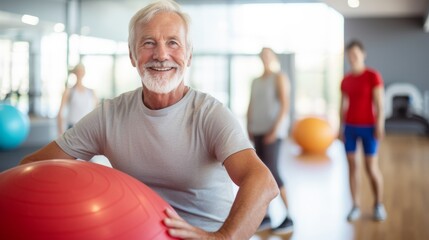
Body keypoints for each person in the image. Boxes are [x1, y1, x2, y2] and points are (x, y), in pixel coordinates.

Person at [20, 0, 279, 239]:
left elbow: (262, 182)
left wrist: (223, 237)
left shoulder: (209, 114)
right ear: (133, 56)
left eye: (173, 43)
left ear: (189, 55)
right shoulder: (109, 115)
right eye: (148, 43)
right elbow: (31, 166)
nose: (161, 54)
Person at [339, 39, 387, 222]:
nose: (352, 58)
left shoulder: (373, 76)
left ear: (363, 55)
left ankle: (378, 204)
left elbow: (379, 104)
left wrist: (380, 125)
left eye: (355, 54)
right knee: (352, 167)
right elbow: (342, 104)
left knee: (371, 168)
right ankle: (355, 206)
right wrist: (340, 126)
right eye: (349, 55)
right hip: (350, 128)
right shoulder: (346, 80)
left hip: (369, 128)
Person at [247, 47, 293, 234]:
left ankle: (289, 216)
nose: (265, 59)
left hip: (273, 132)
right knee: (262, 172)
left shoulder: (279, 77)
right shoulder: (256, 81)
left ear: (273, 57)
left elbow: (285, 105)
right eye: (262, 56)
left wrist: (274, 130)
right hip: (257, 130)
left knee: (272, 171)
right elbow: (251, 104)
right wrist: (249, 126)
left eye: (268, 55)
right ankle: (266, 216)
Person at [57, 63, 98, 135]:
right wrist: (60, 131)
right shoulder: (69, 91)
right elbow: (60, 113)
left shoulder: (91, 92)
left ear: (84, 73)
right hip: (72, 128)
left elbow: (96, 112)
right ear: (75, 73)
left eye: (81, 71)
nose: (80, 74)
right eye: (78, 71)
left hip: (88, 129)